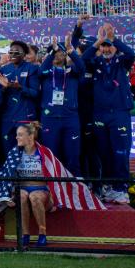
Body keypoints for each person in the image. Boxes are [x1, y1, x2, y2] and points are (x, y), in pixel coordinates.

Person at [0, 122, 104, 248]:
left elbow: (58, 173)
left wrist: (55, 195)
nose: (17, 137)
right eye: (17, 135)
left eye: (20, 135)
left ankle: (42, 234)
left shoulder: (44, 153)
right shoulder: (14, 154)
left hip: (42, 190)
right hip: (23, 189)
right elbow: (5, 173)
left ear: (30, 137)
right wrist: (7, 194)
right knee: (22, 196)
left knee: (34, 197)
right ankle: (24, 235)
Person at [81, 23, 135, 204]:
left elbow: (131, 54)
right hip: (99, 114)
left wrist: (113, 39)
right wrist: (98, 42)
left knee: (120, 152)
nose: (106, 48)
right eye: (103, 46)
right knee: (103, 152)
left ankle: (121, 189)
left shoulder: (122, 62)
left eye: (108, 45)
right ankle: (108, 186)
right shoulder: (94, 62)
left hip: (119, 113)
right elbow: (82, 60)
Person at [39, 40, 85, 175]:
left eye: (60, 51)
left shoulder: (72, 72)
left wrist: (72, 52)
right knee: (51, 153)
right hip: (50, 118)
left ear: (65, 55)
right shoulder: (45, 72)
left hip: (70, 118)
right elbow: (41, 71)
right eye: (55, 52)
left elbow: (82, 68)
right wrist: (52, 52)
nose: (58, 54)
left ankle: (75, 185)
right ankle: (52, 185)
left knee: (73, 154)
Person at [0, 41, 40, 157]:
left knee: (27, 152)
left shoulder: (32, 68)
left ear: (24, 54)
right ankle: (11, 175)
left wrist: (20, 87)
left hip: (24, 117)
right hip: (7, 118)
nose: (13, 55)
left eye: (17, 52)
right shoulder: (3, 70)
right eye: (11, 52)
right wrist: (4, 88)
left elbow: (35, 93)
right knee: (8, 151)